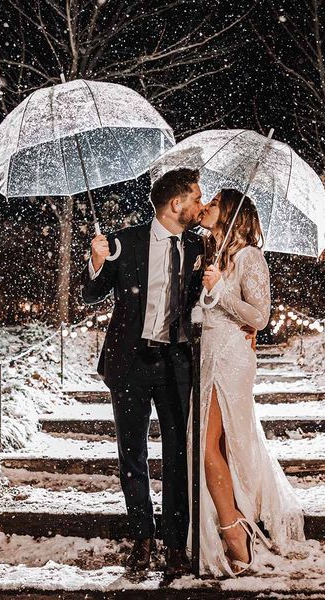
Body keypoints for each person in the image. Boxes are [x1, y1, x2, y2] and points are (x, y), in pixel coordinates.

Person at [81, 168, 206, 576]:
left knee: (178, 456)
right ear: (176, 204)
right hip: (130, 364)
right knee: (132, 455)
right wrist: (97, 264)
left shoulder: (200, 247)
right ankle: (142, 537)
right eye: (196, 197)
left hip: (177, 366)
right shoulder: (124, 241)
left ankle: (174, 542)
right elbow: (90, 295)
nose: (200, 205)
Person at [187, 188, 306, 578]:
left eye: (214, 203)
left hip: (232, 359)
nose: (205, 207)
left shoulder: (249, 257)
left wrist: (220, 291)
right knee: (216, 445)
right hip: (208, 357)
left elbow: (260, 316)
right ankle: (234, 520)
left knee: (206, 446)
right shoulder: (212, 255)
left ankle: (234, 527)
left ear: (232, 214)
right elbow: (206, 311)